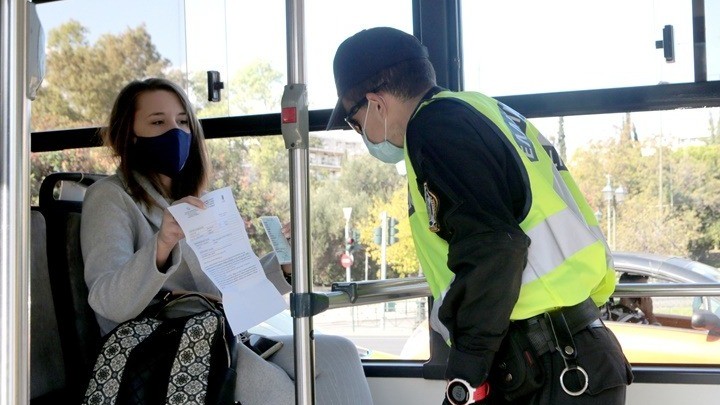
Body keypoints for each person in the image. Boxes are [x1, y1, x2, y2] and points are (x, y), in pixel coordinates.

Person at [327, 27, 633, 404]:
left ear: (376, 104)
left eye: (354, 121)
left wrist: (467, 367)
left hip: (548, 364)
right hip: (570, 352)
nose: (360, 133)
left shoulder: (435, 128)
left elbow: (495, 248)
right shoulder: (482, 109)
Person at [81, 77, 373, 405]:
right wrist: (161, 245)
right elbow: (108, 303)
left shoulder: (195, 200)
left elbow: (228, 285)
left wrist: (283, 265)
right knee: (279, 393)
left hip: (213, 332)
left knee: (339, 354)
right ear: (130, 134)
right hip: (160, 346)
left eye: (183, 122)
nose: (175, 132)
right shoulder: (109, 197)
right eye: (158, 122)